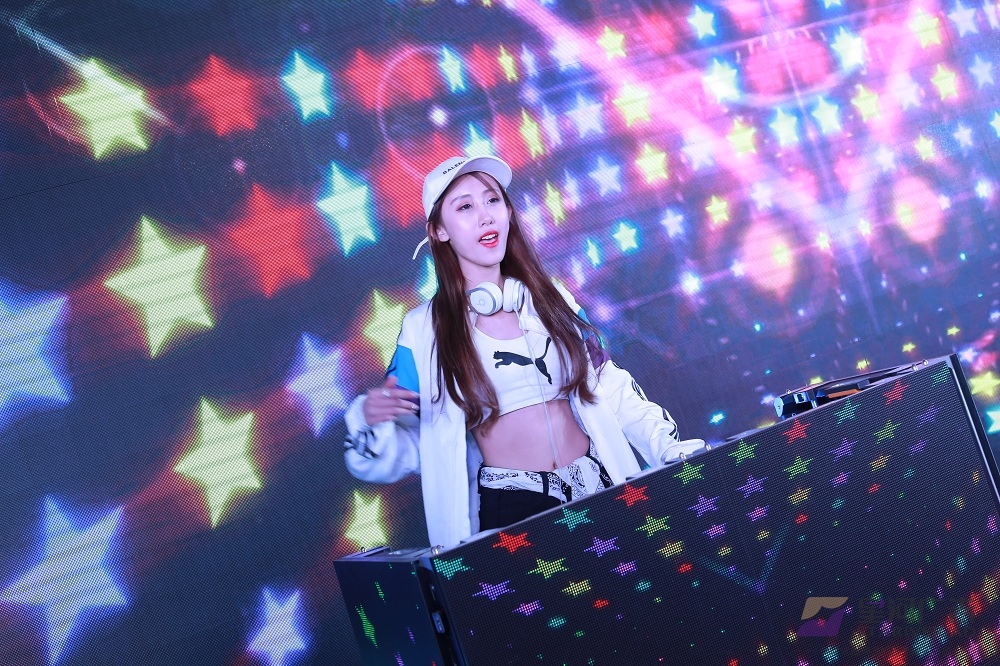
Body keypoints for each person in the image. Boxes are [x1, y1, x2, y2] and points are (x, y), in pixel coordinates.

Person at [343, 155, 703, 548]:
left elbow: (609, 387)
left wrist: (664, 446)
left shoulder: (553, 297)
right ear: (439, 230)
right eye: (465, 207)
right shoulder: (424, 330)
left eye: (492, 200)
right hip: (514, 510)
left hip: (599, 484)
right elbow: (410, 440)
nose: (485, 217)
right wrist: (368, 418)